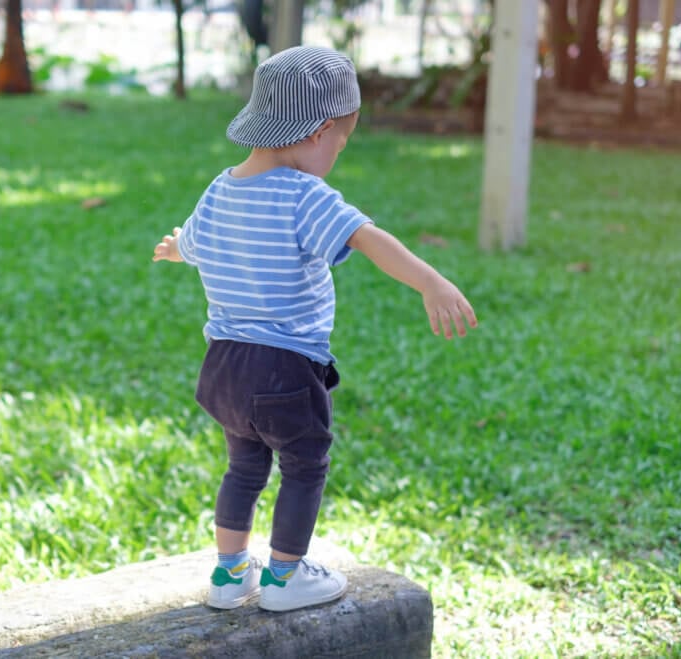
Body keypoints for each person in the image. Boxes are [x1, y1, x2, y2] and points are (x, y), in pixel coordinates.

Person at [152, 45, 477, 613]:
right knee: (305, 464)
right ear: (319, 131)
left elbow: (196, 245)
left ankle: (230, 575)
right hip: (283, 366)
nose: (338, 154)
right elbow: (367, 238)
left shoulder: (221, 188)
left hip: (223, 366)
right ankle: (284, 576)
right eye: (342, 142)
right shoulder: (305, 195)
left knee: (244, 466)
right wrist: (431, 283)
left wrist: (177, 248)